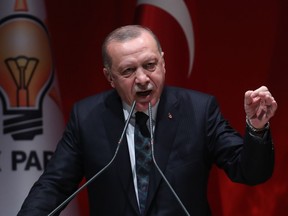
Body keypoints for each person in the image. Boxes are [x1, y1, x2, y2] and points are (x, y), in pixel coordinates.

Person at [17, 25, 277, 216]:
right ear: (110, 77)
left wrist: (256, 128)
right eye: (128, 70)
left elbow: (249, 172)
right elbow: (54, 185)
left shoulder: (199, 110)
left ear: (163, 63)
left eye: (150, 65)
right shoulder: (87, 117)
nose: (142, 79)